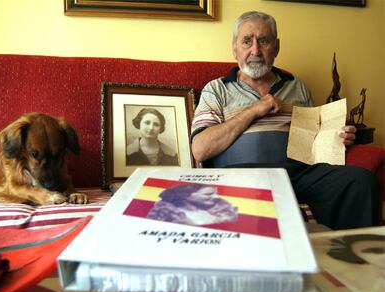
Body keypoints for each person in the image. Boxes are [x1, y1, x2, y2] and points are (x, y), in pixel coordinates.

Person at [190, 11, 380, 230]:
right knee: (261, 196)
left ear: (277, 47)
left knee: (360, 182)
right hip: (242, 174)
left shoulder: (296, 86)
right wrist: (253, 111)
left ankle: (345, 257)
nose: (255, 51)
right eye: (246, 41)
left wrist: (335, 138)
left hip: (296, 174)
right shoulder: (217, 89)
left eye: (263, 41)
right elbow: (200, 149)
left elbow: (312, 144)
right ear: (234, 48)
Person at [147, 183, 238, 225]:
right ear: (186, 195)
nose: (216, 197)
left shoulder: (224, 210)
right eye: (208, 194)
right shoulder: (165, 215)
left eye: (216, 194)